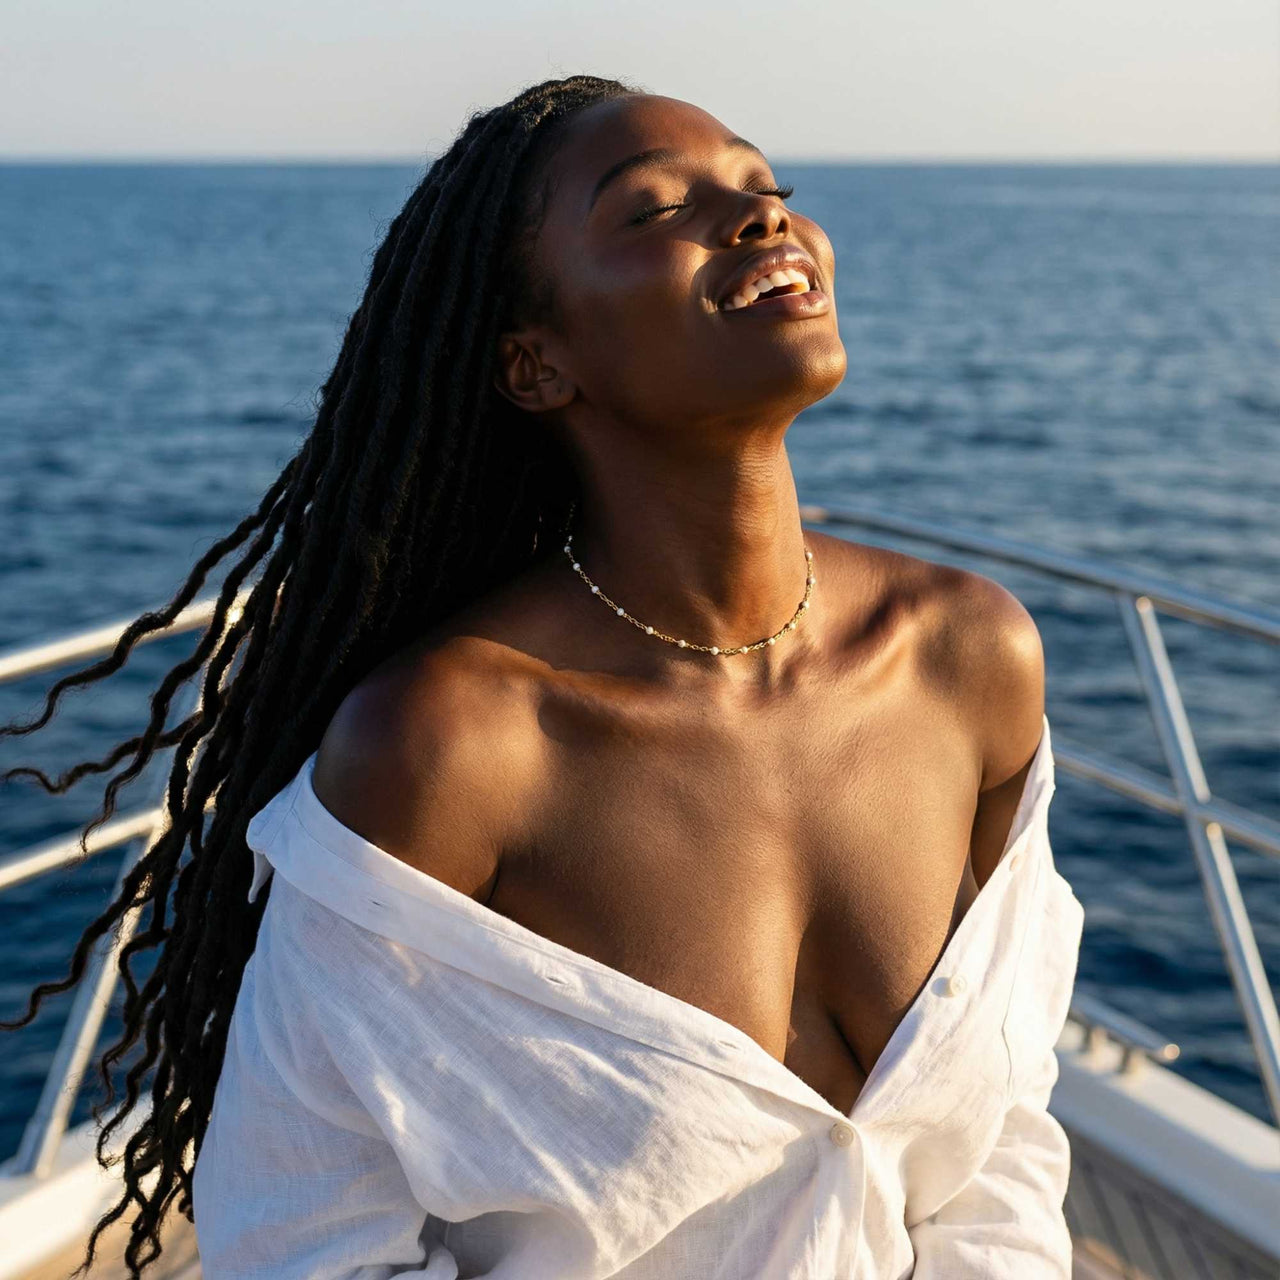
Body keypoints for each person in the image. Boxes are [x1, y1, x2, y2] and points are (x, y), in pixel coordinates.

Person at [0, 73, 1084, 1279]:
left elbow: (999, 1139)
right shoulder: (454, 749)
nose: (762, 218)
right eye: (650, 210)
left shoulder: (969, 658)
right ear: (536, 365)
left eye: (763, 186)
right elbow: (299, 1237)